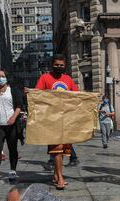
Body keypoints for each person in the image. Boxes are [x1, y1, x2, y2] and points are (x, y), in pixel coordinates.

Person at [35, 54, 79, 189]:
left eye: (61, 65)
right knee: (57, 150)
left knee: (63, 150)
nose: (59, 67)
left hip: (66, 121)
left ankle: (55, 174)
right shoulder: (45, 78)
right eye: (56, 65)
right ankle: (60, 177)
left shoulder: (68, 79)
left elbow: (77, 95)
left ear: (64, 65)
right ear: (51, 65)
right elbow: (37, 94)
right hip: (51, 121)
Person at [0, 69, 23, 183]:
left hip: (11, 125)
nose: (0, 78)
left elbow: (19, 106)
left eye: (2, 76)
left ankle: (12, 171)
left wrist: (13, 117)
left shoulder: (13, 91)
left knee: (12, 148)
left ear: (6, 77)